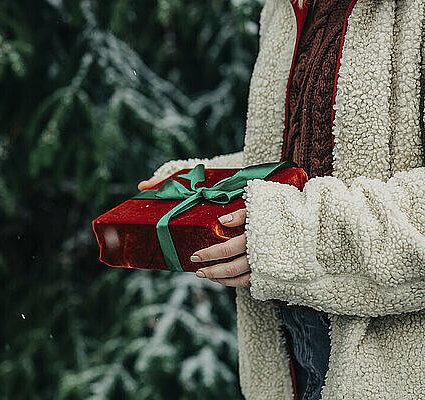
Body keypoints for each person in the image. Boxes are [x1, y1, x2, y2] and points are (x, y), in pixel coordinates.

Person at [138, 0, 425, 399]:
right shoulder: (282, 8)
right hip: (288, 357)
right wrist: (207, 188)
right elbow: (302, 161)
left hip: (392, 373)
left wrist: (286, 235)